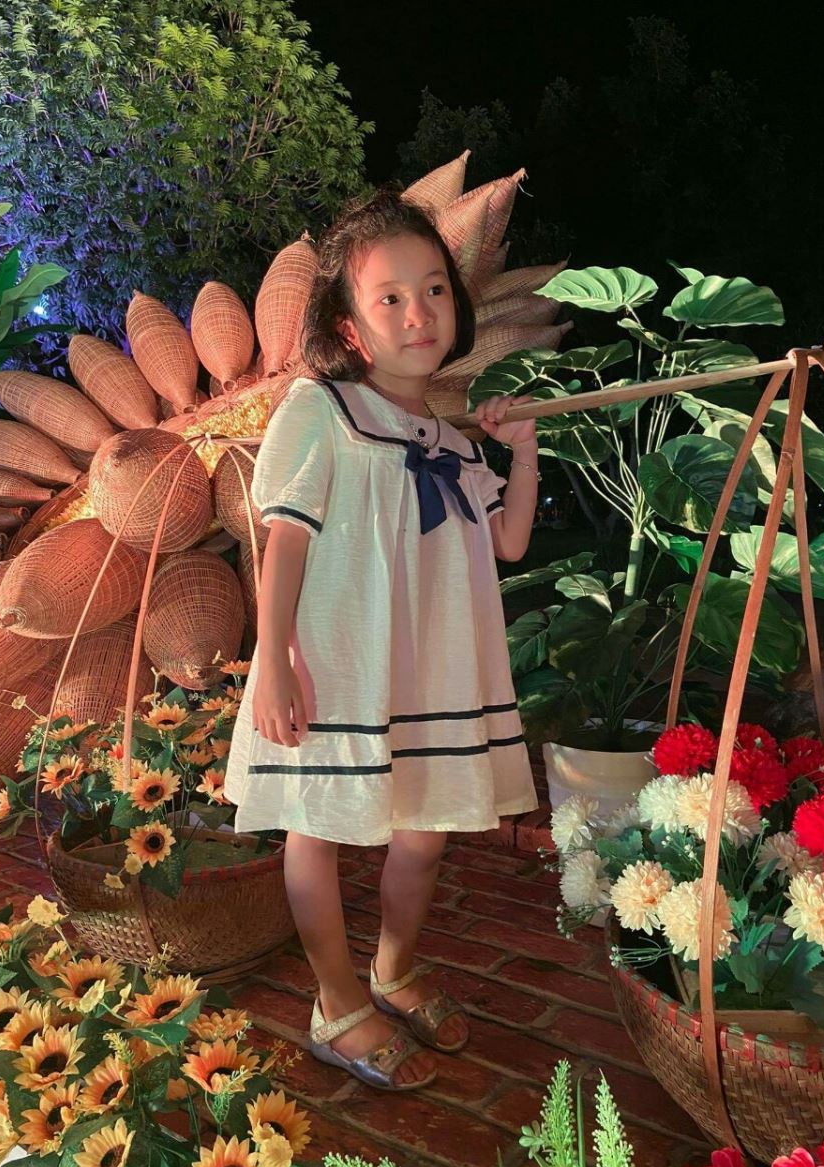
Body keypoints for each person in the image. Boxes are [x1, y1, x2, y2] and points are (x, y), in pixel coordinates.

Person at [224, 185, 540, 1092]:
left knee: (426, 835)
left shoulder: (452, 437)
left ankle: (392, 971)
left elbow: (509, 542)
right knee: (317, 827)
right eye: (390, 297)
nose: (419, 312)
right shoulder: (320, 409)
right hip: (335, 668)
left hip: (433, 674)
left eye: (434, 289)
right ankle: (334, 1002)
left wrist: (522, 452)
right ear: (350, 327)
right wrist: (275, 661)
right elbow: (284, 541)